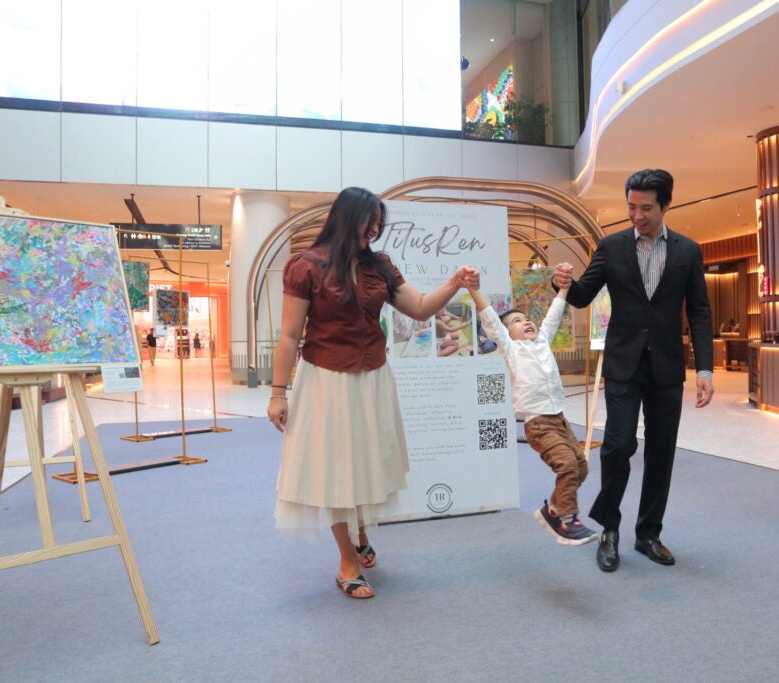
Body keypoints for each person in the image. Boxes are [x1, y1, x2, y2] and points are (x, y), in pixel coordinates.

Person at [267, 186, 480, 600]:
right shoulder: (304, 265)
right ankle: (347, 560)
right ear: (349, 219)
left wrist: (454, 282)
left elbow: (418, 307)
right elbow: (290, 335)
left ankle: (360, 532)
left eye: (380, 224)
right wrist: (278, 393)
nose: (376, 230)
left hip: (373, 377)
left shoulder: (379, 264)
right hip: (326, 380)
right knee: (335, 469)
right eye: (371, 222)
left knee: (366, 461)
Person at [552, 168, 714, 573]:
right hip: (623, 364)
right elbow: (584, 295)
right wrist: (563, 283)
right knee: (619, 445)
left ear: (665, 206)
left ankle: (648, 534)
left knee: (661, 454)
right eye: (631, 206)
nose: (636, 215)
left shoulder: (687, 251)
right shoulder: (612, 247)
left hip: (666, 367)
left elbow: (699, 311)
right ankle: (609, 529)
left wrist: (706, 369)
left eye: (645, 208)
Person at [468, 282, 598, 545]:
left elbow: (553, 314)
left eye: (527, 319)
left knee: (581, 468)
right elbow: (492, 321)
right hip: (538, 423)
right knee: (567, 465)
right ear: (507, 333)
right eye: (517, 321)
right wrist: (473, 291)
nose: (526, 322)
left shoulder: (542, 343)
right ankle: (568, 519)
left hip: (560, 420)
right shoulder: (510, 348)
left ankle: (551, 509)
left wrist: (562, 289)